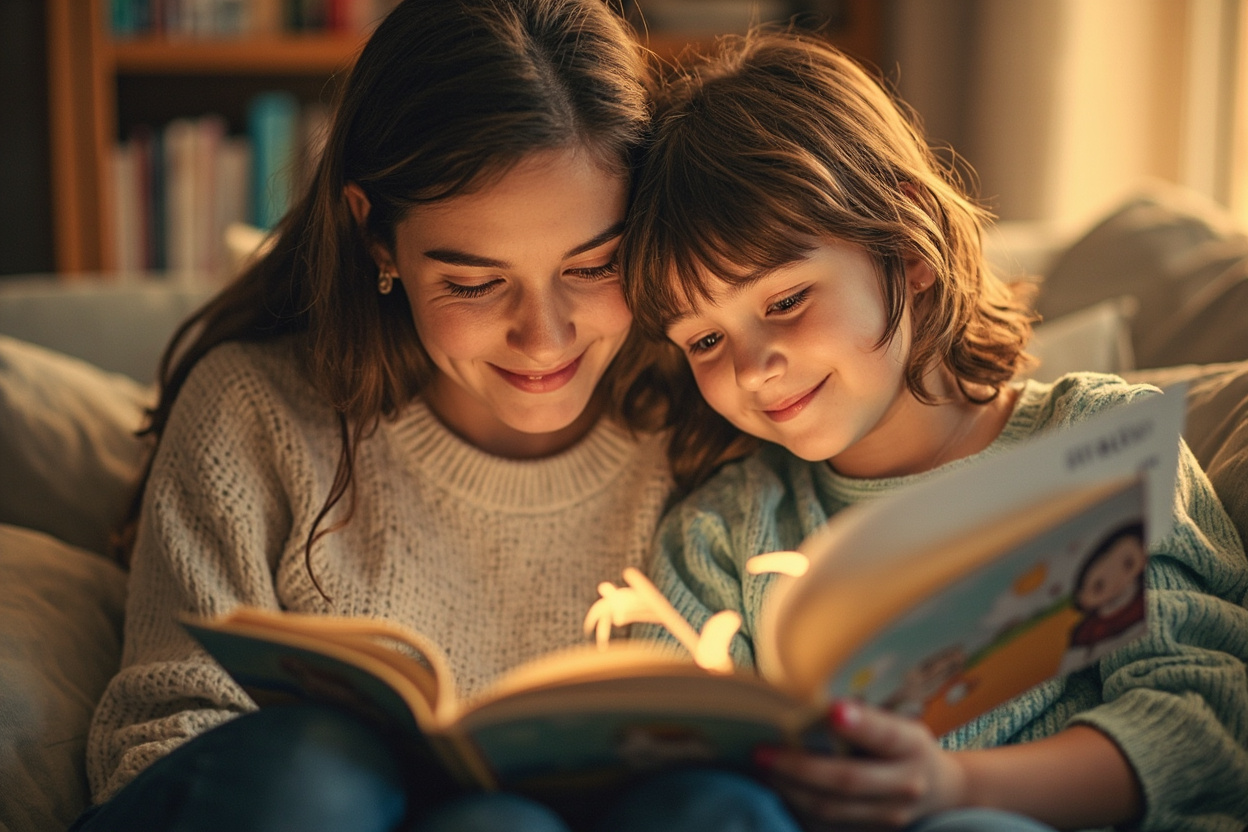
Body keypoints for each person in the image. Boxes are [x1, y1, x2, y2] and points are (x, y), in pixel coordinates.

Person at [70, 3, 798, 831]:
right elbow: (161, 738)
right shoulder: (257, 414)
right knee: (322, 773)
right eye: (475, 283)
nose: (544, 337)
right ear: (376, 237)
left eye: (594, 266)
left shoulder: (716, 403)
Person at [618, 29, 1248, 832]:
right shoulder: (723, 531)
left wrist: (952, 787)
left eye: (785, 301)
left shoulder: (1098, 442)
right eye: (706, 340)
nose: (752, 368)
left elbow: (1203, 718)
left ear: (907, 243)